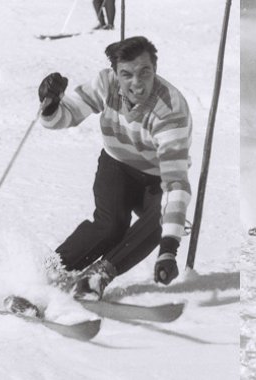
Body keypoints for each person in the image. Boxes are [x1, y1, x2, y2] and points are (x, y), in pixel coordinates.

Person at [38, 36, 192, 300]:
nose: (136, 82)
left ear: (155, 69)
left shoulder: (171, 111)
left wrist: (169, 248)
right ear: (116, 74)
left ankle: (97, 277)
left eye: (145, 72)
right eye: (127, 74)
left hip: (157, 178)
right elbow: (66, 115)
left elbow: (175, 182)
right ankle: (50, 273)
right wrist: (51, 105)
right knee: (110, 226)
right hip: (117, 165)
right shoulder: (106, 84)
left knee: (161, 218)